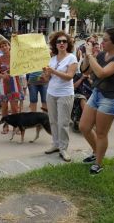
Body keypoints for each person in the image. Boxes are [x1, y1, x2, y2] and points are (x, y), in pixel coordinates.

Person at [79, 27, 114, 175]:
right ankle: (96, 152)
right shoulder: (102, 55)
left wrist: (90, 55)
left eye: (106, 40)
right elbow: (85, 71)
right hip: (97, 93)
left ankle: (98, 163)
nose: (102, 42)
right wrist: (87, 56)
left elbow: (101, 73)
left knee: (101, 133)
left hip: (110, 97)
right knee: (84, 126)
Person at [43, 31, 78, 162]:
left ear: (68, 44)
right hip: (51, 93)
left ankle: (63, 149)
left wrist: (53, 71)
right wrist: (45, 74)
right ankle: (55, 144)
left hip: (65, 94)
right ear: (55, 44)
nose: (62, 43)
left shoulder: (72, 58)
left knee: (63, 123)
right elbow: (48, 78)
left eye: (64, 41)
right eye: (59, 41)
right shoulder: (52, 59)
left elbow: (69, 76)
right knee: (52, 121)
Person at [0, 38, 24, 133]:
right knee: (4, 107)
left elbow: (21, 69)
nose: (4, 47)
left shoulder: (16, 57)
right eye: (2, 46)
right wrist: (3, 76)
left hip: (15, 83)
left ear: (9, 46)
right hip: (3, 84)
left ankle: (17, 127)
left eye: (5, 45)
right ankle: (5, 126)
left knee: (15, 107)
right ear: (0, 48)